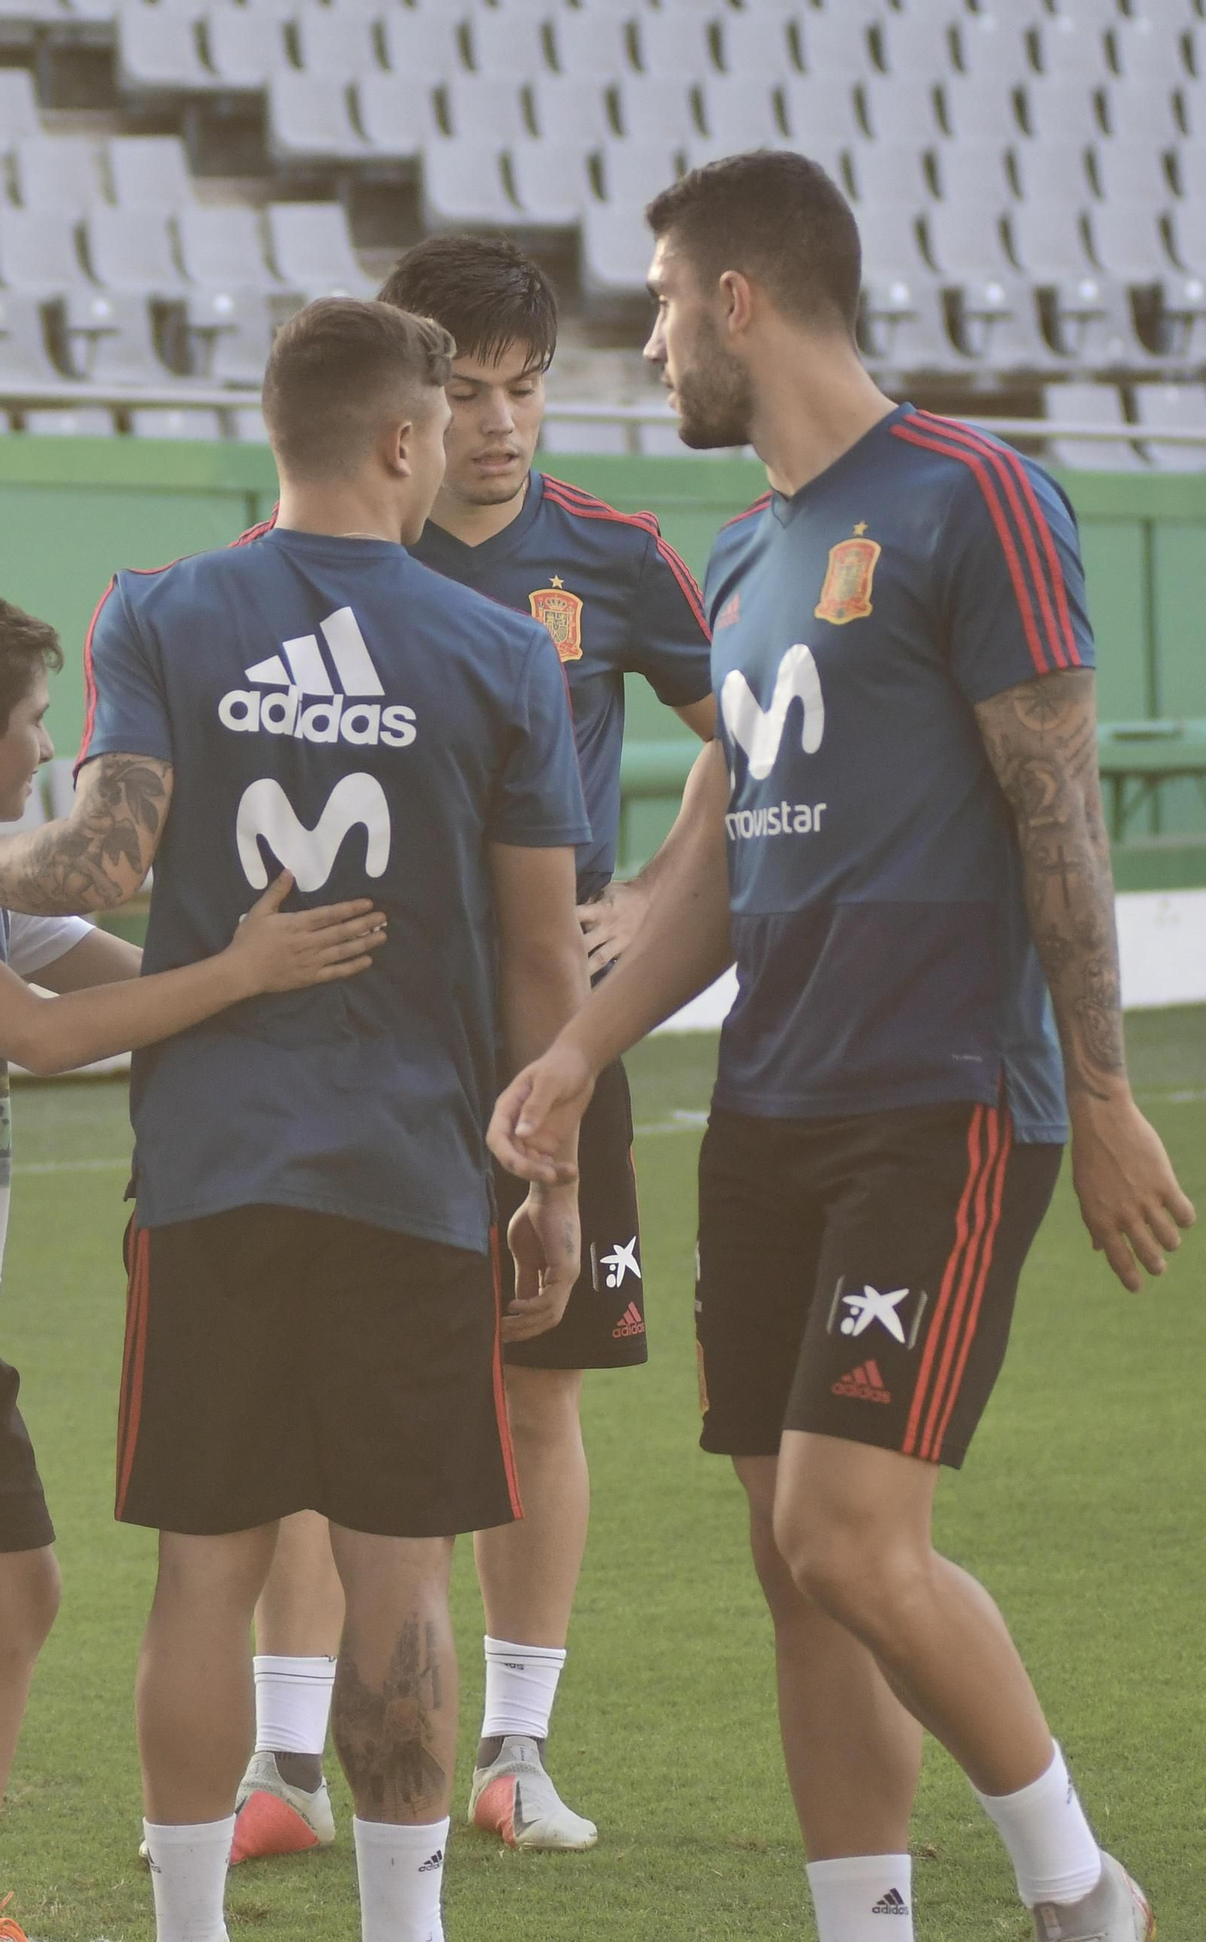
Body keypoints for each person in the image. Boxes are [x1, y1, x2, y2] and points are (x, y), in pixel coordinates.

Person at [0, 298, 592, 1942]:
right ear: (396, 441)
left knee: (204, 1571)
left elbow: (96, 866)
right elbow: (536, 951)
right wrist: (551, 1173)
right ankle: (404, 1925)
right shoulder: (504, 651)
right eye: (441, 423)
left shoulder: (161, 610)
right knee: (398, 1573)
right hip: (415, 1180)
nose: (452, 447)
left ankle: (186, 1926)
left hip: (215, 1178)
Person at [488, 152, 1194, 1942]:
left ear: (739, 298)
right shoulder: (741, 552)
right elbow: (722, 863)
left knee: (848, 1534)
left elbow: (1060, 815)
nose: (645, 344)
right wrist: (580, 1052)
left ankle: (1080, 1892)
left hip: (940, 1102)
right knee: (793, 1569)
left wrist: (1099, 1095)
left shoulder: (976, 496)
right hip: (767, 1108)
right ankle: (863, 1919)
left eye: (657, 301)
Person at [0, 585, 382, 1942]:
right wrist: (246, 972)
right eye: (36, 722)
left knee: (19, 1591)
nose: (49, 750)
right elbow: (45, 1036)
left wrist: (252, 968)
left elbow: (133, 970)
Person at [229, 234, 725, 1863]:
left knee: (539, 1386)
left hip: (545, 1033)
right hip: (356, 1032)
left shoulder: (619, 556)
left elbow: (752, 728)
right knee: (320, 1402)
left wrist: (649, 895)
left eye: (529, 390)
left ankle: (516, 1745)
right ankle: (287, 1767)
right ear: (409, 396)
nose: (501, 425)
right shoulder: (318, 553)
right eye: (472, 390)